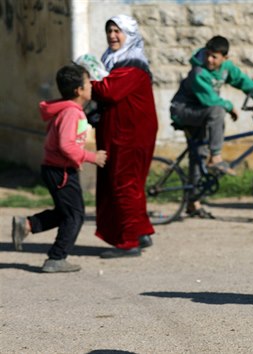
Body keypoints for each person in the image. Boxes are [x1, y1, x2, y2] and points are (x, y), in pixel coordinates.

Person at [11, 64, 107, 272]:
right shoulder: (72, 113)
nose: (92, 86)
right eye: (88, 82)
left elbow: (67, 145)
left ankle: (27, 224)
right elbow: (66, 145)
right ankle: (56, 258)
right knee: (75, 215)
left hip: (60, 168)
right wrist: (91, 157)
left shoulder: (71, 110)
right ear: (79, 91)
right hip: (59, 171)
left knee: (66, 212)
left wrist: (76, 161)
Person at [170, 35, 253, 217]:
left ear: (225, 58)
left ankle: (193, 203)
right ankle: (216, 158)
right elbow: (209, 99)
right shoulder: (198, 72)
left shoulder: (226, 68)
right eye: (208, 55)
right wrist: (229, 106)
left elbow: (242, 80)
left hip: (201, 112)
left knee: (198, 155)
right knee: (218, 110)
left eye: (214, 57)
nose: (209, 60)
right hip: (184, 110)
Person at [91, 14, 158, 258]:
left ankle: (129, 241)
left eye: (117, 31)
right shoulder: (113, 60)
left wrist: (86, 82)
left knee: (124, 183)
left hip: (130, 135)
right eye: (109, 31)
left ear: (129, 34)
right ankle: (140, 232)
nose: (112, 36)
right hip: (119, 131)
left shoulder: (131, 63)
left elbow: (108, 91)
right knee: (127, 183)